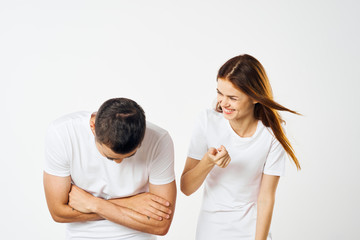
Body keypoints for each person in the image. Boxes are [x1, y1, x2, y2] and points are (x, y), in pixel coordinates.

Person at [180, 54, 301, 240]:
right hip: (211, 230)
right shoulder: (207, 121)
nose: (223, 102)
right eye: (219, 93)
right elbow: (186, 187)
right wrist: (208, 161)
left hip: (252, 230)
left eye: (232, 97)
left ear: (255, 97)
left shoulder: (271, 135)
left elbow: (266, 198)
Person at [43, 98, 176, 240]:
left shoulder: (159, 140)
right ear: (93, 127)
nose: (119, 163)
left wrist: (94, 204)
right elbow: (57, 212)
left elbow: (161, 225)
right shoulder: (62, 133)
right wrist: (130, 203)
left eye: (130, 155)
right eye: (110, 157)